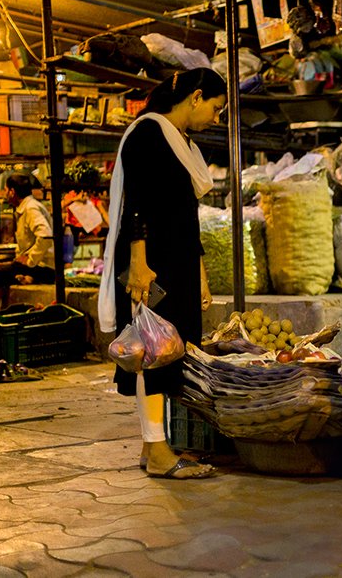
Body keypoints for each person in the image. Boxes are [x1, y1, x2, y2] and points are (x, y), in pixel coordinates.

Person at [98, 68, 225, 480]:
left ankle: (152, 444)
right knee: (152, 351)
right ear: (196, 96)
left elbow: (188, 217)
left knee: (168, 349)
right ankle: (156, 451)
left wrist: (200, 271)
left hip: (177, 260)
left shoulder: (182, 143)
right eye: (216, 107)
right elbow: (136, 201)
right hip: (150, 262)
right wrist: (138, 260)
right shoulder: (148, 133)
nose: (216, 118)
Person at [0, 173, 56, 314]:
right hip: (33, 266)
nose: (4, 194)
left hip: (42, 268)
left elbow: (45, 236)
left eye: (5, 190)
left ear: (12, 192)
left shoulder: (31, 208)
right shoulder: (26, 207)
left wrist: (30, 260)